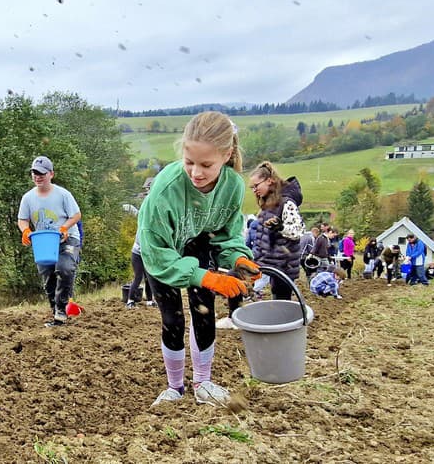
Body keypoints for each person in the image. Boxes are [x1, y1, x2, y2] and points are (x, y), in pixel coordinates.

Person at [138, 112, 261, 408]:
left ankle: (203, 383)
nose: (196, 173)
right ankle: (175, 388)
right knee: (173, 319)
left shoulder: (232, 186)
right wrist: (204, 276)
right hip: (160, 250)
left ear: (226, 155)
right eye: (189, 161)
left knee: (204, 313)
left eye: (206, 165)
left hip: (197, 241)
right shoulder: (166, 189)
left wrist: (239, 258)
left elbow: (227, 234)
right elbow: (156, 252)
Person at [18, 156, 82, 327]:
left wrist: (65, 227)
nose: (38, 177)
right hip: (44, 241)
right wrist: (25, 230)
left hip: (67, 238)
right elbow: (22, 219)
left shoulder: (62, 194)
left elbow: (76, 215)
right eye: (34, 173)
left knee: (65, 269)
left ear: (51, 174)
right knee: (48, 277)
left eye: (41, 174)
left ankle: (61, 310)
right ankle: (56, 311)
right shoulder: (28, 198)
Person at [248, 161, 305, 301]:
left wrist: (280, 227)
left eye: (256, 186)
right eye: (252, 187)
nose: (254, 190)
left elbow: (298, 230)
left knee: (281, 298)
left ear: (269, 181)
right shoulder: (266, 204)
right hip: (268, 261)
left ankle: (285, 321)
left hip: (283, 263)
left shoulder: (286, 203)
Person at [126, 229, 155, 308]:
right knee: (138, 277)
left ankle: (150, 301)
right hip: (137, 254)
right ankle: (130, 301)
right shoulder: (143, 228)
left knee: (149, 278)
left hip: (147, 255)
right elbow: (144, 244)